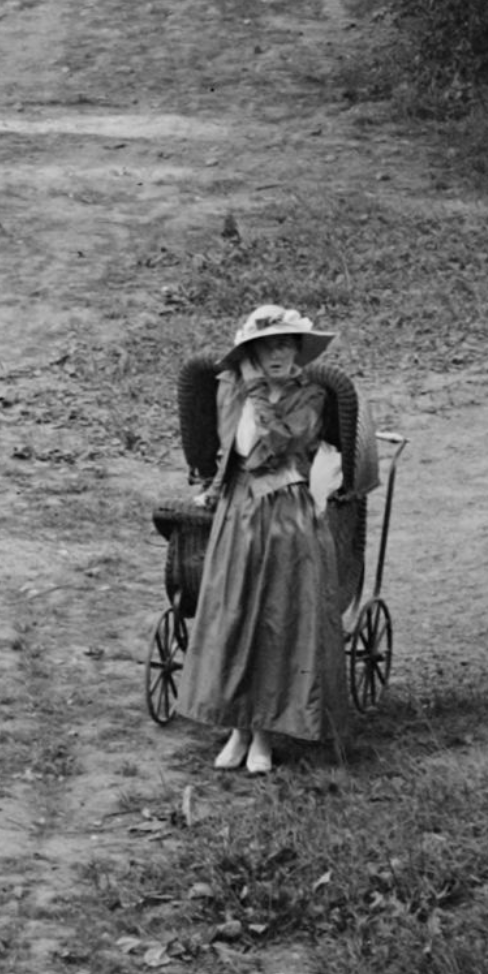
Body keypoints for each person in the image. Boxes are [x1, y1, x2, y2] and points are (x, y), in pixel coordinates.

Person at [185, 300, 356, 774]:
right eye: (268, 346)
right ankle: (237, 728)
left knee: (276, 619)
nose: (279, 354)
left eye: (286, 345)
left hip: (287, 514)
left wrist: (259, 393)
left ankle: (263, 732)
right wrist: (244, 390)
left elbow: (276, 447)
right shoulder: (234, 391)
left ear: (297, 351)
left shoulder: (309, 396)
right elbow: (237, 448)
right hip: (239, 511)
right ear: (252, 353)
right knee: (235, 613)